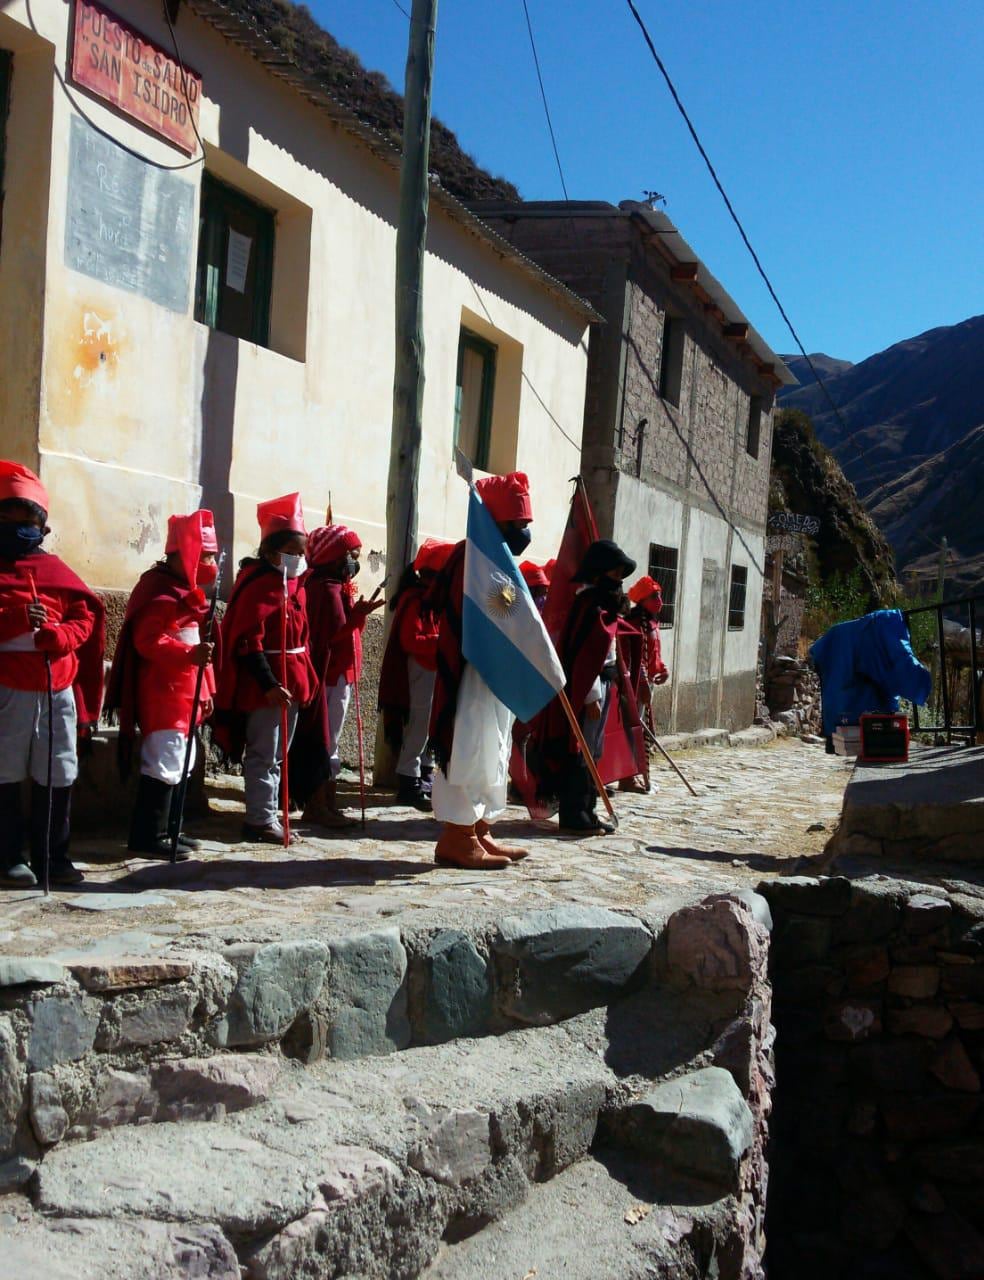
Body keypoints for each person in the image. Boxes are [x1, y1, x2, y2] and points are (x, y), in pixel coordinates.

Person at [0, 461, 105, 887]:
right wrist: (15, 618)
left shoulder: (57, 571)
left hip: (55, 685)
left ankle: (52, 857)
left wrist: (60, 636)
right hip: (7, 687)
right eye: (12, 515)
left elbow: (85, 619)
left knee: (58, 771)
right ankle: (7, 856)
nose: (23, 525)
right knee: (4, 771)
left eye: (31, 518)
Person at [428, 472, 536, 869]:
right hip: (472, 674)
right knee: (469, 748)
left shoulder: (499, 561)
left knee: (495, 747)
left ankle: (480, 829)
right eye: (517, 525)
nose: (524, 533)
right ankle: (456, 836)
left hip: (496, 675)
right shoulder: (472, 559)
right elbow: (481, 617)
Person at [105, 511, 219, 860]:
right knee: (163, 763)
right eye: (206, 556)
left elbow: (199, 643)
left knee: (183, 762)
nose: (212, 564)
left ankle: (172, 829)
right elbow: (149, 641)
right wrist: (188, 655)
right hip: (164, 694)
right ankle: (148, 833)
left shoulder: (187, 590)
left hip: (187, 694)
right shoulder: (158, 590)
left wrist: (207, 690)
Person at [214, 493, 317, 843]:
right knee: (264, 753)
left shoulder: (293, 585)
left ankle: (271, 813)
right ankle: (259, 819)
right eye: (294, 551)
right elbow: (247, 640)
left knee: (279, 754)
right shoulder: (259, 585)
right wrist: (269, 683)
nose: (300, 559)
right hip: (268, 688)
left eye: (304, 553)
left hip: (293, 683)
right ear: (272, 552)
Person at [537, 539, 636, 834]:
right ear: (597, 574)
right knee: (579, 750)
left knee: (594, 751)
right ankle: (575, 814)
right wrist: (590, 695)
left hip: (604, 683)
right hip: (588, 690)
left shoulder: (603, 606)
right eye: (614, 575)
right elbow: (583, 657)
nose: (618, 582)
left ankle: (588, 809)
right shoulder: (588, 607)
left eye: (621, 576)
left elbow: (606, 651)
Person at [291, 523, 383, 827]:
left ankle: (327, 802)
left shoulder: (330, 586)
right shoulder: (326, 590)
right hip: (330, 675)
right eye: (351, 555)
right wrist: (358, 617)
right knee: (326, 740)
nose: (354, 562)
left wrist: (358, 615)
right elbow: (334, 635)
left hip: (339, 674)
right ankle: (317, 804)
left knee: (331, 739)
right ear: (333, 556)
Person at [378, 537, 454, 811]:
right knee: (418, 727)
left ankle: (424, 774)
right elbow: (412, 640)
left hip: (431, 670)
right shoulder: (415, 601)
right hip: (419, 670)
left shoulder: (431, 600)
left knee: (428, 726)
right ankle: (409, 781)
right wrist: (442, 642)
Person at [620, 574, 670, 793]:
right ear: (643, 599)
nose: (659, 600)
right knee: (633, 730)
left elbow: (653, 653)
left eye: (659, 595)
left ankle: (638, 774)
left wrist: (661, 669)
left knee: (641, 730)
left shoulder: (651, 621)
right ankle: (627, 777)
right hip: (634, 685)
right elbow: (633, 654)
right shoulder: (632, 622)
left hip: (647, 683)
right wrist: (641, 684)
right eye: (654, 596)